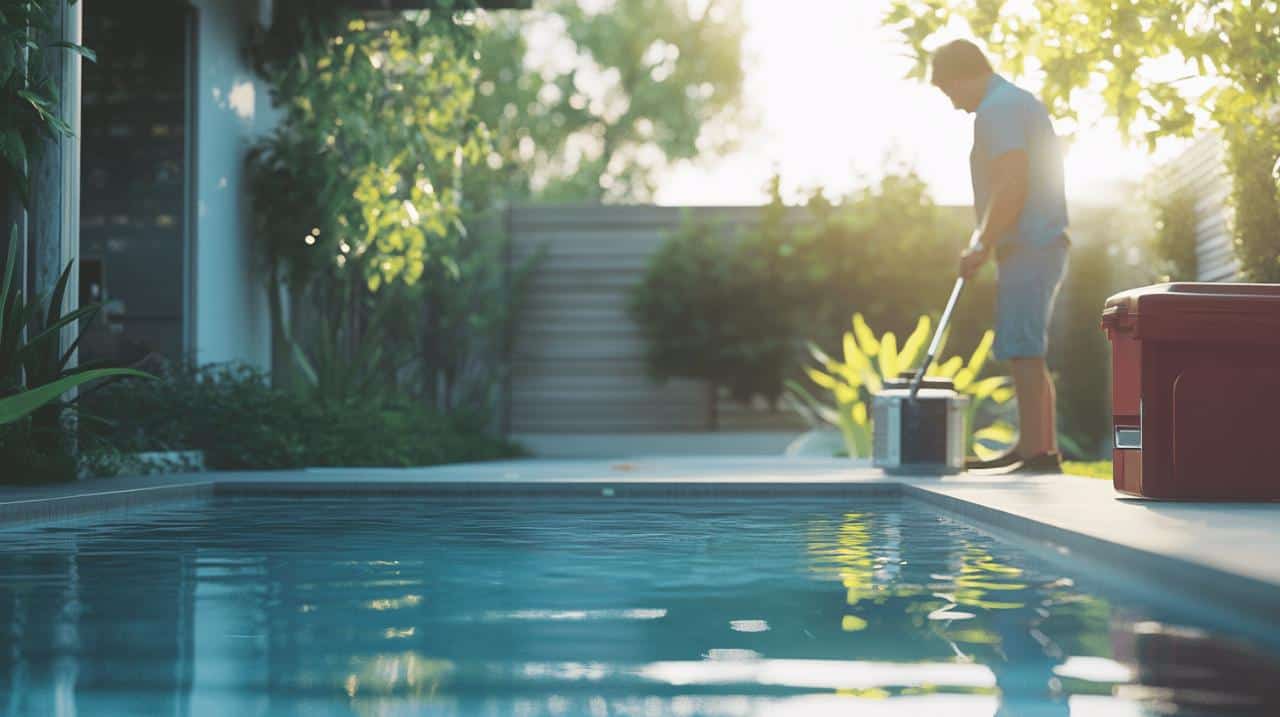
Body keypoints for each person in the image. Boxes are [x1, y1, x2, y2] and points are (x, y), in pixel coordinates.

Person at [930, 39, 1070, 474]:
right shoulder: (1012, 102)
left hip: (1031, 242)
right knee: (1028, 348)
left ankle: (1036, 455)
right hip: (1037, 242)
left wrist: (981, 243)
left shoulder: (998, 109)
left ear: (962, 76)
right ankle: (1037, 447)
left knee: (1022, 346)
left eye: (950, 92)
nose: (954, 105)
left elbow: (1011, 184)